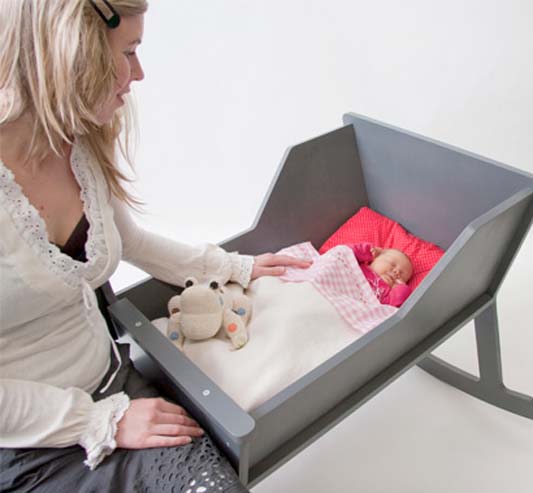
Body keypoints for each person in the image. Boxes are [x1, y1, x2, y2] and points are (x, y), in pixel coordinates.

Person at [0, 1, 310, 491]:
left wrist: (234, 267)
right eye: (129, 52)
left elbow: (131, 241)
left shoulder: (78, 145)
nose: (139, 73)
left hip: (115, 390)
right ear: (74, 55)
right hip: (23, 442)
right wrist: (98, 422)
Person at [348, 243, 413, 307]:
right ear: (375, 258)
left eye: (402, 276)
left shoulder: (386, 296)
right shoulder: (358, 266)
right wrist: (368, 251)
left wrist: (402, 287)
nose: (397, 272)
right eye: (392, 264)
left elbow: (397, 300)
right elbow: (346, 253)